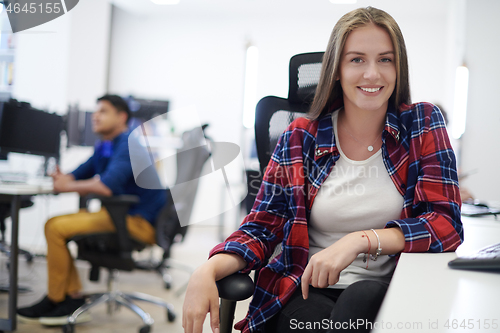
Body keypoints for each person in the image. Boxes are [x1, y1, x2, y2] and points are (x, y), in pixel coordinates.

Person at [183, 6, 463, 333]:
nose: (372, 73)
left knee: (361, 298)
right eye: (357, 59)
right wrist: (207, 269)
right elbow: (262, 226)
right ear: (336, 70)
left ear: (399, 68)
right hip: (304, 285)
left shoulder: (422, 124)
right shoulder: (302, 136)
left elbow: (445, 224)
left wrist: (359, 241)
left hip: (389, 285)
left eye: (385, 59)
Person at [17, 94, 166, 326]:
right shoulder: (106, 146)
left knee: (54, 227)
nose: (95, 116)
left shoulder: (129, 144)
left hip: (138, 222)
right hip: (119, 216)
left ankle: (58, 299)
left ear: (121, 117)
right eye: (96, 111)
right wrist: (62, 178)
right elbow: (78, 174)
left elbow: (105, 187)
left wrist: (67, 185)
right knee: (55, 226)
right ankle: (71, 297)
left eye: (103, 111)